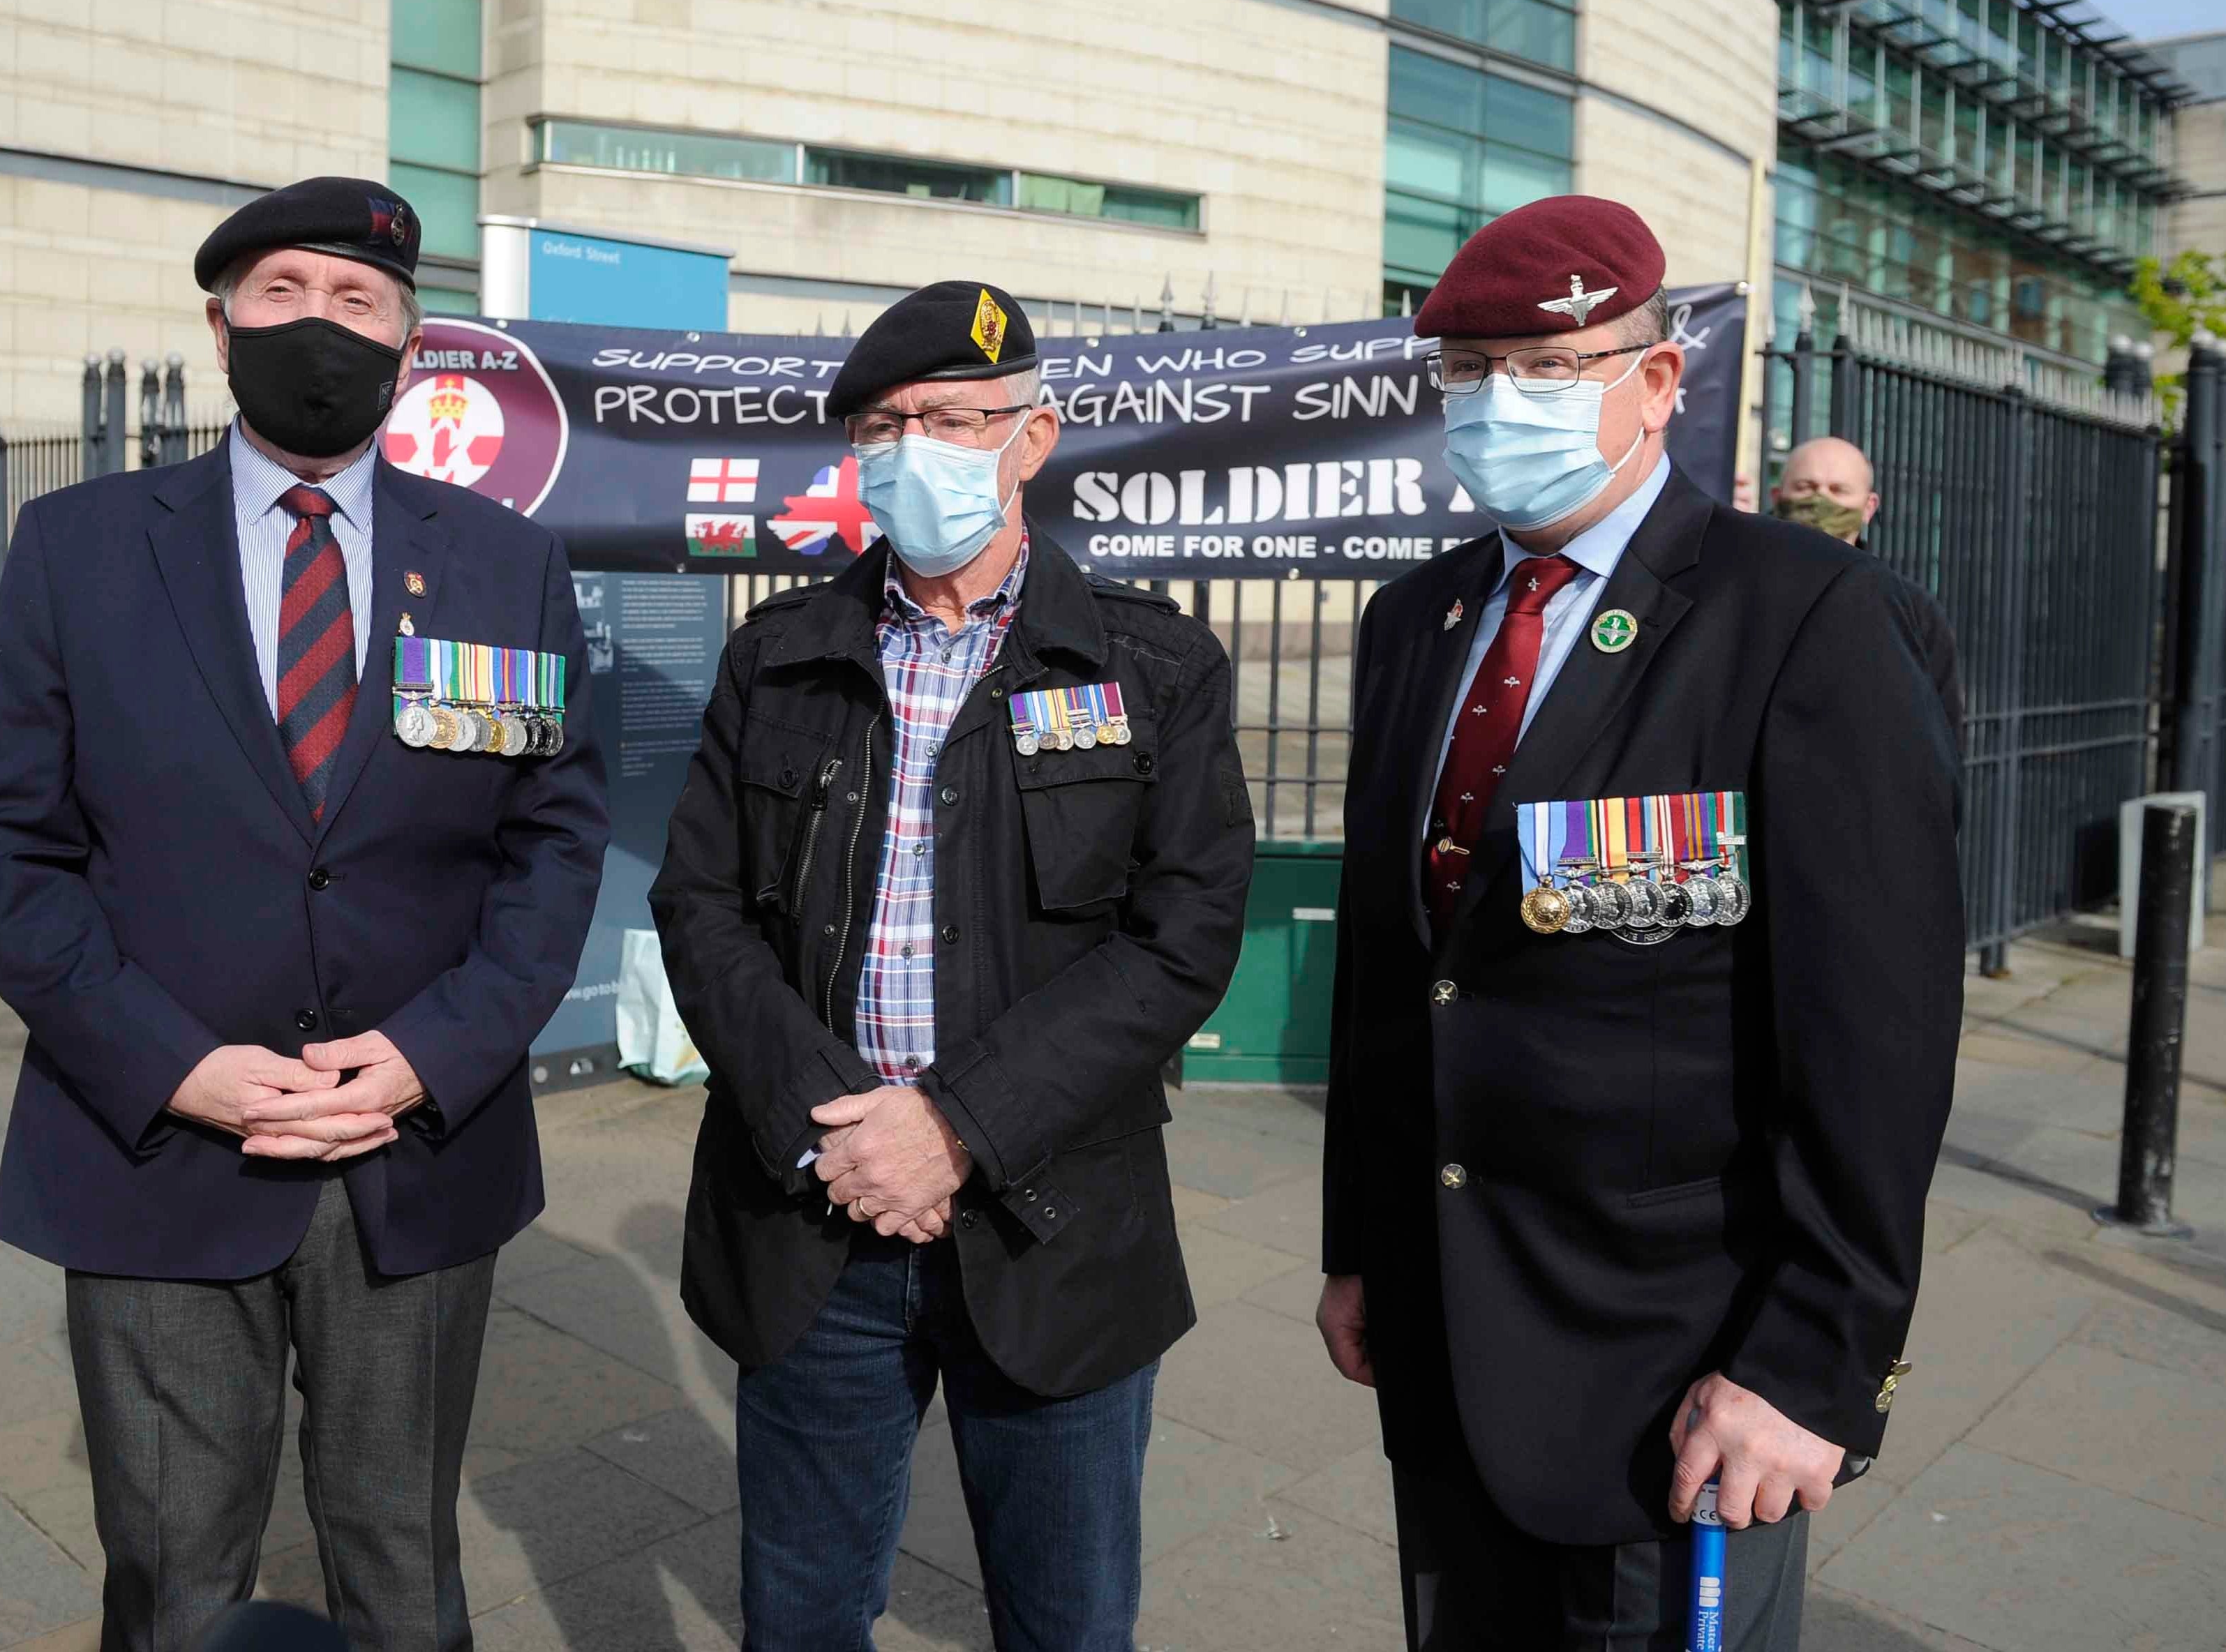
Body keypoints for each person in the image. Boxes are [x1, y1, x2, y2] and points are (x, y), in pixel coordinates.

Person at [0, 177, 610, 1652]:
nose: (321, 324)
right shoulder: (80, 548)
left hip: (414, 1154)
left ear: (409, 345)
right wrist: (171, 1063)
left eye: (358, 301)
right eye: (283, 292)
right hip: (156, 1148)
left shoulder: (506, 564)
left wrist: (434, 1053)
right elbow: (5, 846)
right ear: (220, 324)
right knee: (174, 1581)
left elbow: (553, 847)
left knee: (399, 1568)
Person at [1315, 197, 1964, 1649]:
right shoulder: (1413, 621)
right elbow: (1392, 973)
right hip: (1444, 1332)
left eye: (1547, 372)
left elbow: (1875, 1037)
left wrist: (1812, 1364)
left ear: (1657, 381)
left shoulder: (1802, 619)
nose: (1499, 408)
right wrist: (1360, 1241)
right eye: (1469, 376)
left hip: (1681, 1379)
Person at [649, 280, 1254, 1651]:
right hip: (815, 1219)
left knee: (1065, 1623)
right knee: (800, 1616)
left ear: (1031, 437)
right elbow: (700, 907)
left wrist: (952, 1129)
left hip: (1052, 1228)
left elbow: (1180, 939)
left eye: (954, 418)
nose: (916, 447)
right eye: (886, 423)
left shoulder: (1153, 668)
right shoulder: (779, 658)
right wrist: (846, 1134)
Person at [1774, 435, 1964, 746]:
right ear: (1777, 495)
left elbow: (1942, 736)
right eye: (1805, 487)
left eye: (1839, 490)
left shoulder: (1913, 611)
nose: (1821, 501)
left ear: (1868, 507)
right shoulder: (1739, 591)